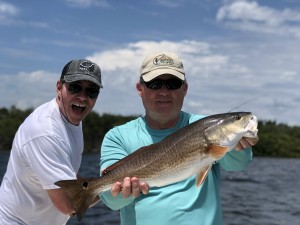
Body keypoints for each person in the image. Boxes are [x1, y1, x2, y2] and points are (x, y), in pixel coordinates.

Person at [100, 52, 257, 225]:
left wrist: (240, 145)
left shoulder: (205, 126)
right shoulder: (118, 136)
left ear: (185, 89)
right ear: (140, 89)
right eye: (155, 84)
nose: (164, 92)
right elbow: (111, 201)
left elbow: (238, 164)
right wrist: (122, 193)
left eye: (173, 84)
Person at [0, 59, 103, 225]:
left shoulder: (72, 117)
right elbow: (68, 205)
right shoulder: (45, 132)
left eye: (92, 92)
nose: (83, 97)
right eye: (75, 87)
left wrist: (107, 183)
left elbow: (66, 173)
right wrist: (111, 188)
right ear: (59, 87)